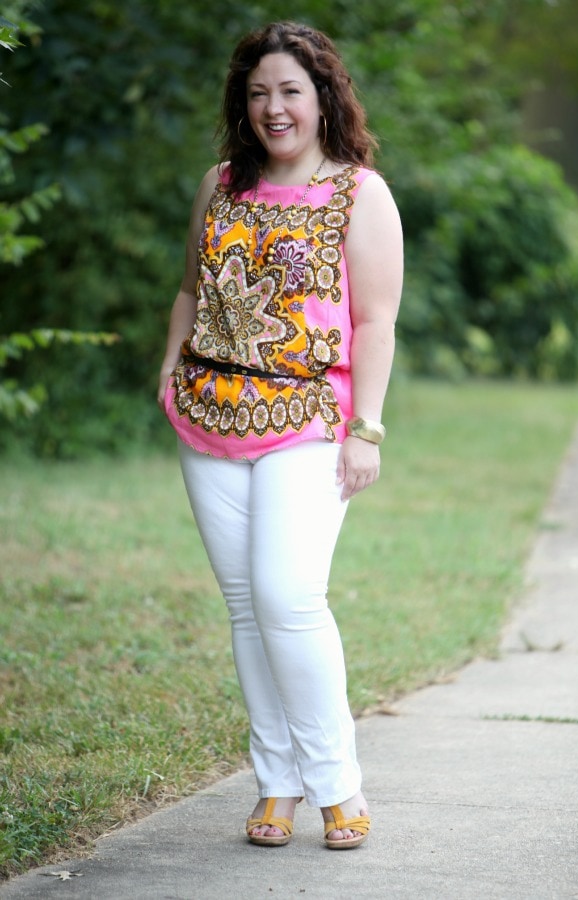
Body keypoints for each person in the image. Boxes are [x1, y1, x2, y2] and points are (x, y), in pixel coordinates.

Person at [157, 20, 403, 849]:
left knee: (287, 599)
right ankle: (277, 783)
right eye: (259, 92)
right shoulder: (220, 184)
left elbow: (376, 320)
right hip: (208, 415)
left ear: (323, 97)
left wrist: (366, 429)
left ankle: (338, 786)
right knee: (245, 608)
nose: (274, 108)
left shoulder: (358, 193)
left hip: (309, 420)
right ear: (243, 102)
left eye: (291, 90)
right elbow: (190, 290)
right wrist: (168, 368)